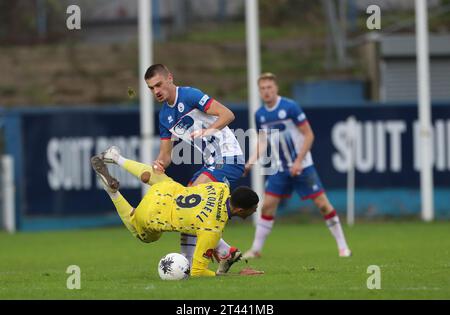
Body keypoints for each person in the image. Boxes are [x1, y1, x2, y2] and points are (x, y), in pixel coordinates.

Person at [91, 148, 261, 277]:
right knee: (143, 233)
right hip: (153, 214)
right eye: (253, 209)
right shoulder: (212, 229)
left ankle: (116, 158)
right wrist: (220, 275)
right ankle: (112, 192)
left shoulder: (221, 187)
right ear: (239, 210)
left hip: (166, 190)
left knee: (155, 176)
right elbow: (197, 271)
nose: (255, 211)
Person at [144, 64, 246, 273]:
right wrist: (158, 164)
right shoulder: (164, 117)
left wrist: (208, 131)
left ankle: (208, 257)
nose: (156, 91)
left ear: (170, 78)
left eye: (158, 85)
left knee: (191, 203)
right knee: (185, 205)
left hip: (229, 157)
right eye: (151, 88)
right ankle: (205, 258)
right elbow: (166, 155)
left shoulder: (189, 95)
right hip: (211, 163)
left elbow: (227, 115)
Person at [242, 73, 352, 259]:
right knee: (267, 206)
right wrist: (251, 161)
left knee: (323, 205)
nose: (266, 91)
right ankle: (256, 249)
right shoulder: (260, 114)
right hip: (280, 168)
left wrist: (299, 161)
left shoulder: (290, 107)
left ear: (276, 88)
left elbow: (309, 135)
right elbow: (262, 141)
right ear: (259, 91)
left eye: (269, 87)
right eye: (263, 88)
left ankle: (343, 247)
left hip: (303, 166)